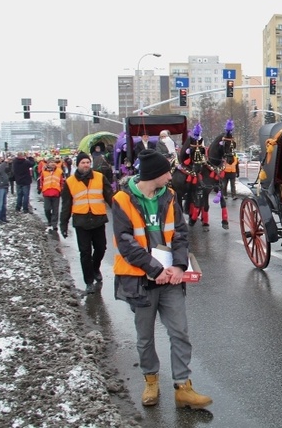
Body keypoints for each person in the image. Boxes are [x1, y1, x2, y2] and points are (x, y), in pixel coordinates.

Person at [112, 149, 212, 410]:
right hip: (141, 280)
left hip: (171, 279)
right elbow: (125, 243)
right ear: (155, 174)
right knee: (145, 337)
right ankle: (151, 381)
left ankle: (183, 387)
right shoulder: (121, 200)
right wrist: (155, 269)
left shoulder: (169, 196)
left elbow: (180, 233)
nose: (171, 175)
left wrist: (178, 266)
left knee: (180, 332)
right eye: (167, 171)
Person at [60, 152, 114, 294]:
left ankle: (95, 268)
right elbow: (66, 205)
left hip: (98, 219)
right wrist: (63, 224)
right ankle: (89, 281)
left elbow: (110, 197)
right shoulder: (70, 182)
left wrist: (120, 212)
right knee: (85, 253)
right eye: (83, 163)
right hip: (81, 221)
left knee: (101, 248)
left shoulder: (100, 177)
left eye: (87, 162)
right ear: (77, 164)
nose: (86, 165)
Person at [39, 156, 64, 231]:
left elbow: (62, 182)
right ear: (48, 164)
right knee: (47, 209)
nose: (52, 164)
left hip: (56, 193)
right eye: (51, 162)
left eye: (53, 162)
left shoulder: (59, 171)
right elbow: (41, 181)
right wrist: (40, 188)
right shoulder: (44, 171)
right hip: (46, 192)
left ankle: (54, 224)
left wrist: (62, 190)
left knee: (55, 210)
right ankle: (49, 220)